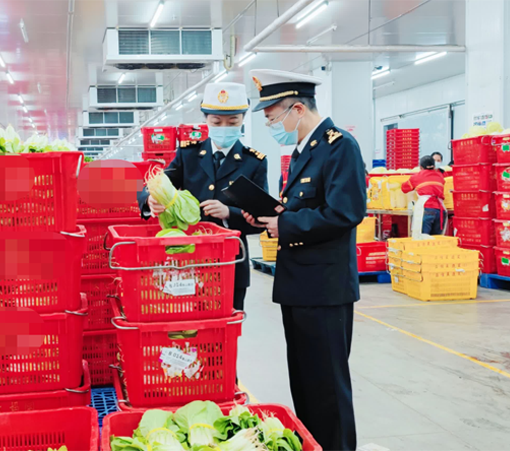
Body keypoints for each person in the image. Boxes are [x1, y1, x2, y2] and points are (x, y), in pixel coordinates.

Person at [243, 69, 366, 451]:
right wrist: (269, 218)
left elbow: (346, 213)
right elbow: (302, 210)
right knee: (306, 381)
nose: (272, 125)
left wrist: (288, 224)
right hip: (299, 287)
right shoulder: (302, 152)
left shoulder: (339, 146)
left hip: (325, 290)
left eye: (273, 117)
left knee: (328, 387)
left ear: (297, 108)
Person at [138, 82, 269, 310]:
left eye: (233, 122)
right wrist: (150, 200)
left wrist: (230, 213)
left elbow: (261, 218)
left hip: (232, 261)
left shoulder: (253, 163)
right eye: (216, 122)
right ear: (206, 119)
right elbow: (157, 183)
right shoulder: (188, 155)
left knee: (226, 329)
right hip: (188, 259)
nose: (225, 127)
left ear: (243, 120)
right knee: (189, 326)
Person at [401, 155, 447, 236]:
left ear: (421, 167)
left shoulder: (417, 177)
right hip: (440, 210)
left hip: (426, 209)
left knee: (422, 238)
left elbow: (404, 188)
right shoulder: (440, 176)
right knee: (437, 240)